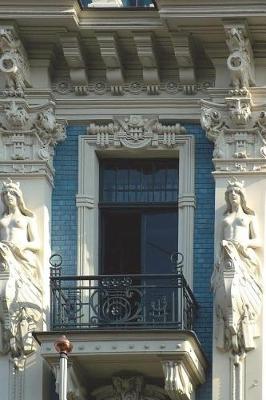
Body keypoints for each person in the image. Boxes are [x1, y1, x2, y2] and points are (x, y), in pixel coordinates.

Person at [212, 179, 262, 354]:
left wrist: (244, 243)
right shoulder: (224, 218)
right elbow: (217, 241)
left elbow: (259, 241)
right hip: (227, 254)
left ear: (242, 196)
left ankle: (243, 317)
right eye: (230, 192)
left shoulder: (249, 217)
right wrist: (217, 260)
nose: (233, 194)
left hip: (242, 255)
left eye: (236, 191)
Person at [0, 179, 40, 280]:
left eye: (12, 193)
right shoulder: (1, 219)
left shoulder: (27, 219)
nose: (8, 195)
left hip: (21, 254)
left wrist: (23, 246)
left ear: (18, 197)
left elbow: (36, 244)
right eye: (5, 193)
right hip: (3, 254)